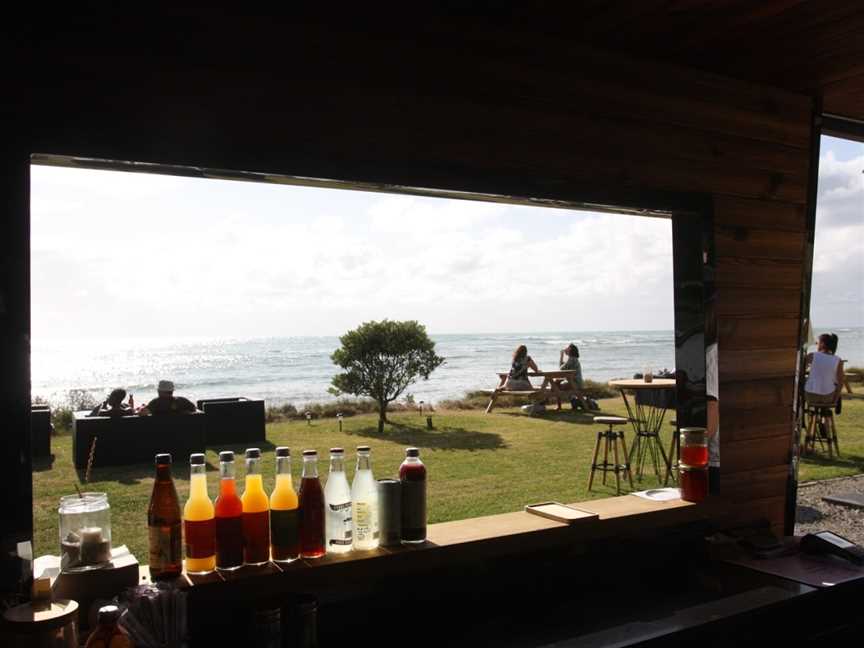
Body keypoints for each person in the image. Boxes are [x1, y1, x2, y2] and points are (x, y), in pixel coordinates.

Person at [804, 333, 843, 406]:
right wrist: (835, 401)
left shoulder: (811, 356)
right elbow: (840, 383)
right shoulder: (838, 360)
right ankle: (827, 414)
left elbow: (801, 371)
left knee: (805, 380)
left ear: (822, 344)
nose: (817, 345)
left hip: (811, 396)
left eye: (818, 343)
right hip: (827, 397)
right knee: (834, 383)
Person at [558, 344, 588, 410]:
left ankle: (563, 405)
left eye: (567, 348)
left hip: (576, 384)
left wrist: (561, 355)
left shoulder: (572, 359)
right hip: (575, 383)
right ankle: (573, 401)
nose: (565, 349)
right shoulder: (572, 359)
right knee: (557, 385)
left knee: (557, 386)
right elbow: (562, 367)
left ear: (570, 350)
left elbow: (561, 369)